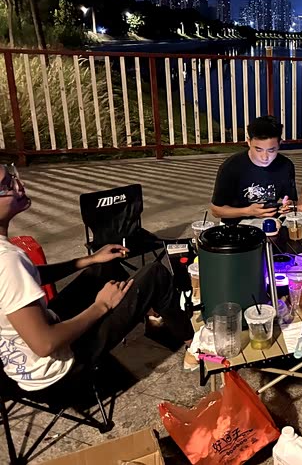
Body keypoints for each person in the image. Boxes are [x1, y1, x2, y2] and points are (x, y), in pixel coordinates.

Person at [0, 164, 194, 395]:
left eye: (13, 176)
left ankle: (151, 310)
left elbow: (31, 276)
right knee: (156, 275)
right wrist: (102, 305)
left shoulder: (6, 257)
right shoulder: (8, 260)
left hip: (25, 360)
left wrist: (90, 259)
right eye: (7, 185)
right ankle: (195, 346)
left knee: (103, 268)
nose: (20, 185)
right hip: (57, 371)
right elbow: (45, 344)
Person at [210, 116, 302, 224]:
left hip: (273, 222)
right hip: (236, 225)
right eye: (258, 149)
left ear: (279, 144)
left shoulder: (286, 165)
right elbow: (216, 210)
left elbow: (290, 200)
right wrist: (248, 211)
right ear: (249, 142)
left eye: (271, 150)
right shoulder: (231, 167)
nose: (265, 157)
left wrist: (288, 205)